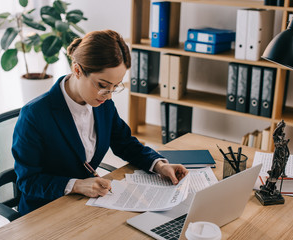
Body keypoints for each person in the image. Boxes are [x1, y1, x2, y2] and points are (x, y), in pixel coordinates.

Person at [12, 29, 188, 215]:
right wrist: (77, 185)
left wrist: (159, 165)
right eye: (103, 85)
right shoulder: (35, 115)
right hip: (44, 212)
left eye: (115, 86)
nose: (109, 95)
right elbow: (28, 181)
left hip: (83, 205)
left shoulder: (102, 104)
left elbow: (125, 143)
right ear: (77, 70)